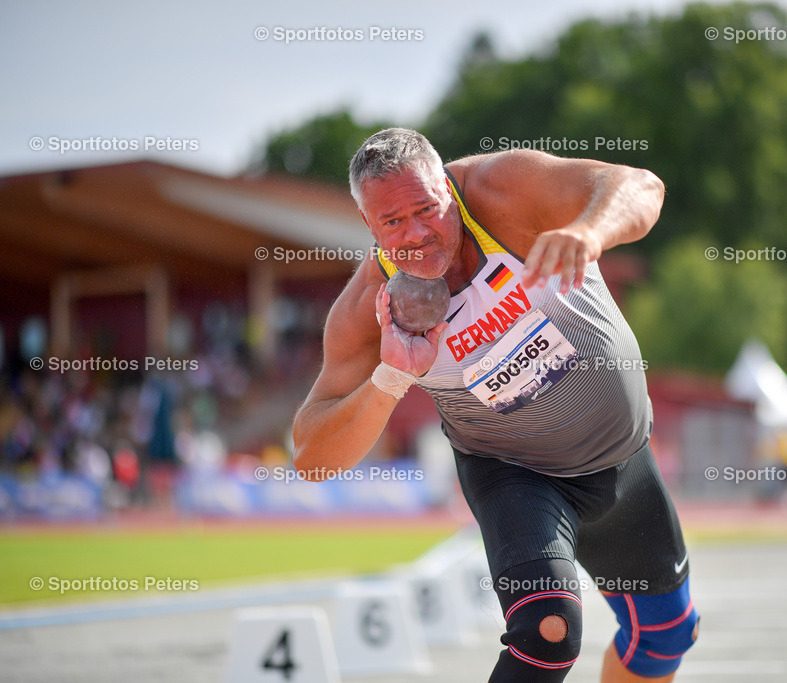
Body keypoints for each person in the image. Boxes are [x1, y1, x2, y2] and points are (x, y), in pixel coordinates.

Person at [293, 128, 699, 682]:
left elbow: (641, 186)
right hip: (515, 475)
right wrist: (390, 378)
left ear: (449, 189)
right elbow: (313, 457)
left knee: (668, 635)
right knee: (547, 631)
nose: (416, 234)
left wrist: (588, 230)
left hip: (622, 457)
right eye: (393, 223)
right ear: (368, 225)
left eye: (428, 209)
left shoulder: (504, 193)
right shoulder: (370, 306)